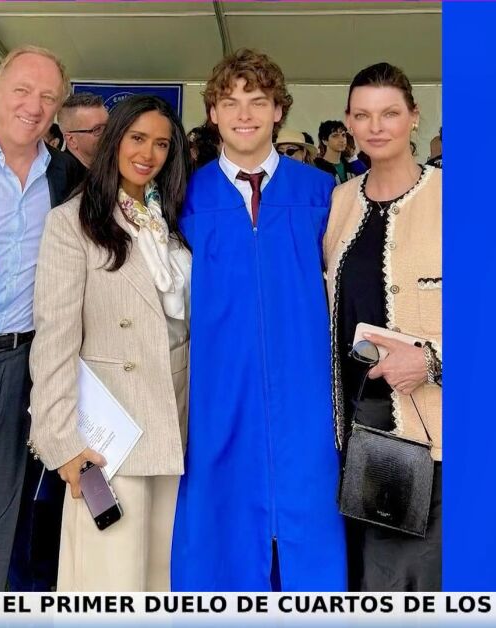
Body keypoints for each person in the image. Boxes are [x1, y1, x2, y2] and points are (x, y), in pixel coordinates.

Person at [173, 48, 347, 592]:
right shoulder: (186, 196)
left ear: (278, 110)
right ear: (213, 114)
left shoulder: (322, 193)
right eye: (230, 102)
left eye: (258, 100)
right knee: (217, 519)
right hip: (217, 388)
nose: (244, 113)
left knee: (311, 513)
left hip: (306, 387)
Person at [28, 95, 192, 591]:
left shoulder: (172, 219)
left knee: (161, 574)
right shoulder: (71, 222)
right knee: (109, 578)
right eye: (137, 138)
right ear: (114, 140)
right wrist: (61, 442)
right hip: (109, 429)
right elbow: (54, 340)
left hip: (176, 415)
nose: (148, 154)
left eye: (161, 143)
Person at [0, 45, 85, 592]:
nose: (33, 106)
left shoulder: (69, 178)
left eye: (48, 97)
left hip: (22, 369)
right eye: (22, 91)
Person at [322, 62, 442, 592]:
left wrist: (431, 359)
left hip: (430, 433)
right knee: (366, 580)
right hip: (355, 431)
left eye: (390, 113)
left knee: (413, 582)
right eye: (363, 115)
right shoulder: (339, 202)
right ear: (349, 122)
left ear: (414, 117)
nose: (376, 127)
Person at [58, 92, 109, 168]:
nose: (108, 133)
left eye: (109, 125)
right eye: (97, 129)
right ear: (71, 140)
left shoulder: (110, 167)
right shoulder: (61, 173)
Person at [314, 120, 356, 184]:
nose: (342, 140)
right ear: (325, 141)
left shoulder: (348, 165)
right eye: (335, 136)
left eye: (343, 135)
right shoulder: (317, 168)